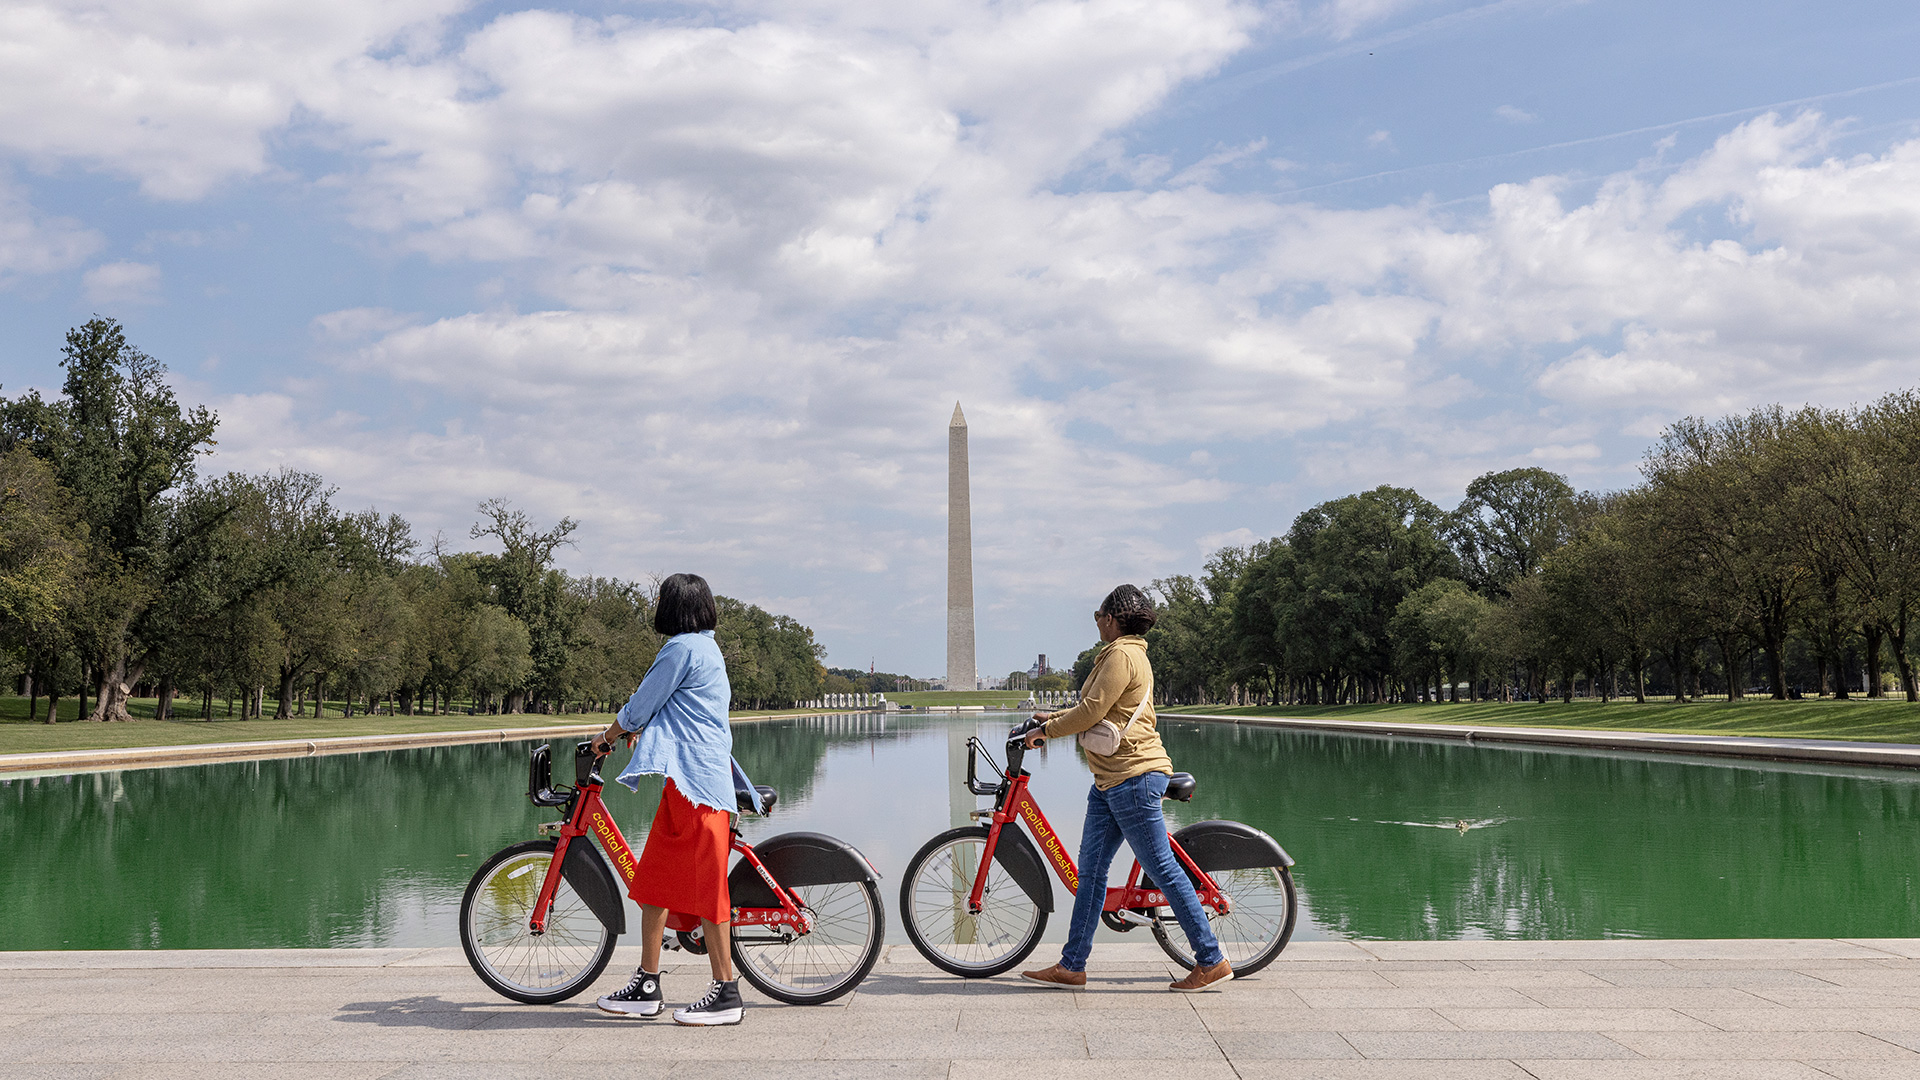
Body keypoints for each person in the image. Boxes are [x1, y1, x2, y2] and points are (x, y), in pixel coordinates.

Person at [1019, 584, 1234, 993]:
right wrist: (1053, 716)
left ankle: (1210, 958)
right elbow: (1100, 708)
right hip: (1110, 781)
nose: (1097, 623)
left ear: (1112, 619)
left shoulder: (1121, 654)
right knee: (1092, 874)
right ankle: (1072, 965)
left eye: (1099, 616)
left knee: (1163, 870)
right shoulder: (1130, 653)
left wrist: (1046, 730)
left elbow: (1092, 711)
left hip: (1133, 777)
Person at [592, 573, 746, 1026]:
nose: (655, 604)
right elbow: (676, 708)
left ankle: (727, 991)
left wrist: (607, 736)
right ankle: (646, 984)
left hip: (699, 785)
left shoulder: (682, 649)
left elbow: (643, 703)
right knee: (655, 884)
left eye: (660, 599)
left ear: (674, 607)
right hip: (683, 784)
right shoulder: (706, 648)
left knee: (708, 890)